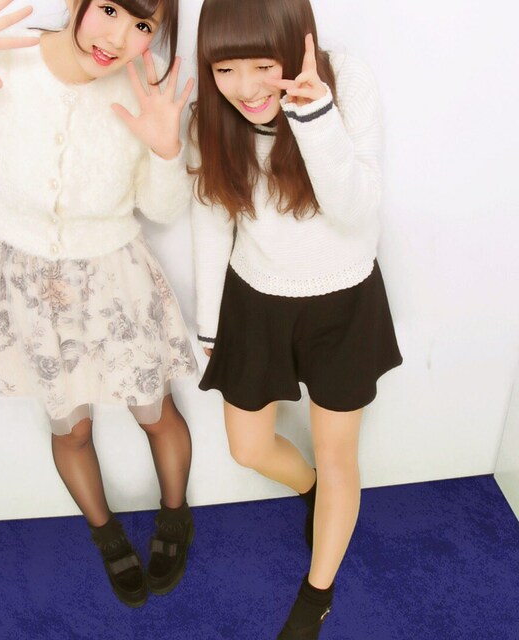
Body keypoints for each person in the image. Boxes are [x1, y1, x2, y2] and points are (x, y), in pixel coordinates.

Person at [0, 0, 197, 608]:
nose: (119, 39)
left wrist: (165, 151)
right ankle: (105, 534)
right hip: (29, 290)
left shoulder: (144, 81)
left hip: (117, 281)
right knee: (70, 428)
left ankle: (175, 516)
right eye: (110, 9)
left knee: (155, 413)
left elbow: (163, 209)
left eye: (143, 26)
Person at [189, 0, 402, 636]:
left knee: (340, 455)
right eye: (226, 68)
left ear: (295, 42)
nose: (246, 88)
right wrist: (211, 325)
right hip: (255, 300)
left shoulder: (346, 80)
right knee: (247, 447)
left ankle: (317, 592)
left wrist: (313, 113)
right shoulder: (212, 115)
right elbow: (211, 220)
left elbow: (356, 210)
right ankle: (311, 490)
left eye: (264, 64)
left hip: (343, 299)